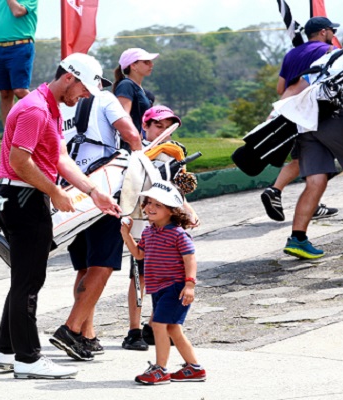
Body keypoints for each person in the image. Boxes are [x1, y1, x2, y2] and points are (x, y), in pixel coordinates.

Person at [0, 53, 122, 379]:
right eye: (83, 90)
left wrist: (93, 191)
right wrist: (54, 192)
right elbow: (21, 161)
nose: (83, 97)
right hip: (24, 197)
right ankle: (29, 359)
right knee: (30, 282)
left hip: (20, 196)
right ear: (69, 78)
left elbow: (61, 158)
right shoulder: (35, 109)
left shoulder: (47, 107)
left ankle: (6, 352)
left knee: (23, 278)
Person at [49, 89, 142, 361]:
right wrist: (140, 162)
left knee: (84, 266)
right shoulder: (104, 98)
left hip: (70, 189)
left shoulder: (59, 105)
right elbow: (131, 133)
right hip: (104, 187)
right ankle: (71, 328)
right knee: (102, 264)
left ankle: (86, 336)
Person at [122, 105, 197, 351]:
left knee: (169, 276)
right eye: (158, 125)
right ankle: (134, 331)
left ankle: (155, 326)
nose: (163, 131)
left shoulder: (174, 153)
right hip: (141, 221)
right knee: (140, 277)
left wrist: (190, 211)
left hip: (167, 225)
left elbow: (175, 190)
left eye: (168, 126)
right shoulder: (132, 151)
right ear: (145, 126)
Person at [120, 181, 206, 385]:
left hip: (175, 288)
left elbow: (190, 259)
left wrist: (190, 284)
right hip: (157, 288)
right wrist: (126, 235)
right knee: (173, 329)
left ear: (171, 210)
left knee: (159, 325)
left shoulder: (178, 234)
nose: (150, 207)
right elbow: (139, 255)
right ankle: (194, 368)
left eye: (158, 205)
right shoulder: (149, 233)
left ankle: (160, 369)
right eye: (149, 202)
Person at [261, 16, 339, 222]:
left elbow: (280, 89)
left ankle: (286, 195)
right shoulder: (327, 52)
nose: (334, 35)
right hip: (314, 114)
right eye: (333, 31)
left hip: (289, 113)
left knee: (305, 159)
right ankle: (276, 191)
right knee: (317, 159)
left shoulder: (291, 54)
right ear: (323, 32)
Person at [281, 46, 343, 259]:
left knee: (316, 181)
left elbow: (292, 90)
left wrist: (272, 121)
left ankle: (298, 239)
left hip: (306, 122)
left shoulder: (329, 58)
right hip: (336, 119)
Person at [0, 0, 38, 126]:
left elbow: (18, 11)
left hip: (21, 45)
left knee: (20, 90)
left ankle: (45, 119)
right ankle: (8, 135)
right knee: (4, 93)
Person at [112, 48, 159, 128]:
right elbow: (123, 118)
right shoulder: (126, 85)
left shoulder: (145, 92)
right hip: (130, 139)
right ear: (133, 66)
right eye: (146, 62)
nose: (151, 64)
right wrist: (136, 137)